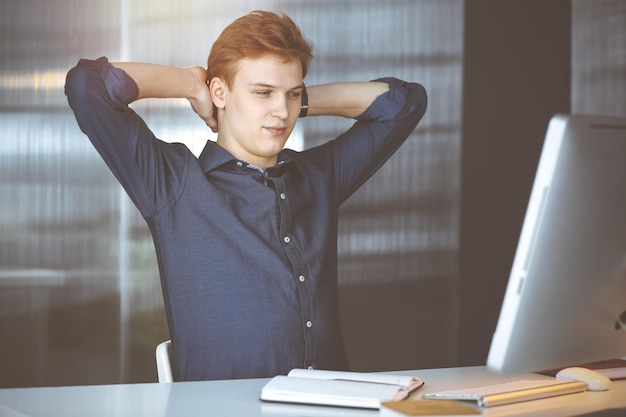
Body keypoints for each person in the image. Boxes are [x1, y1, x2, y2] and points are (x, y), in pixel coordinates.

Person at [65, 10, 427, 381]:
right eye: (262, 92)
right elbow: (87, 86)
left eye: (291, 94)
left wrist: (300, 101)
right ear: (219, 92)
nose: (281, 112)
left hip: (333, 406)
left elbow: (405, 104)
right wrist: (191, 84)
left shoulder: (319, 177)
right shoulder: (173, 184)